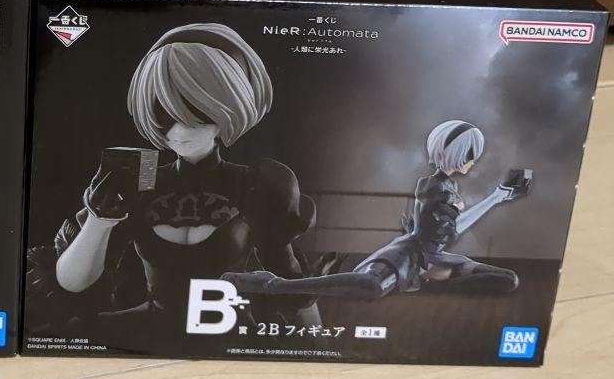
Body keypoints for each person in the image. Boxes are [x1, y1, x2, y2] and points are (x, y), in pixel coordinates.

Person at [27, 23, 316, 350]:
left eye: (197, 112)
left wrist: (323, 349)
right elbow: (73, 284)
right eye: (164, 114)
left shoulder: (256, 183)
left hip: (229, 332)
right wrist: (99, 220)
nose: (179, 130)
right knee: (51, 337)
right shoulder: (142, 180)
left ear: (226, 108)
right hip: (151, 327)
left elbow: (294, 292)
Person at [225, 119, 530, 302]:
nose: (473, 162)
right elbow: (430, 235)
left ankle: (424, 285)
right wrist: (492, 200)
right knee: (372, 287)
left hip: (434, 259)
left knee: (507, 279)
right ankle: (274, 284)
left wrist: (496, 197)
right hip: (409, 255)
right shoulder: (433, 187)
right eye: (470, 154)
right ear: (454, 154)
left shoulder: (448, 189)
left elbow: (447, 230)